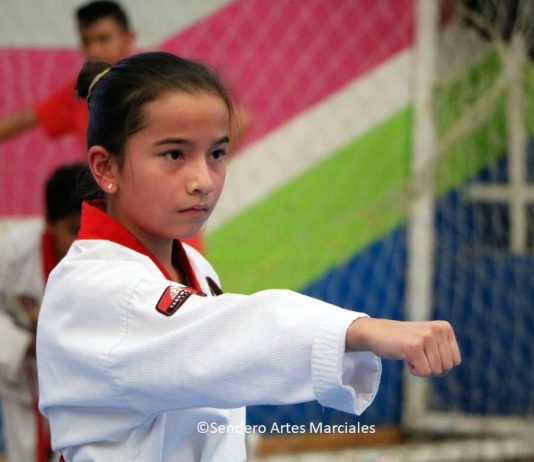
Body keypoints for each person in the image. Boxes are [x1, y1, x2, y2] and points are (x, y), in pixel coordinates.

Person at [36, 52, 461, 461]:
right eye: (174, 154)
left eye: (216, 154)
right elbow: (222, 338)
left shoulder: (191, 266)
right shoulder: (93, 288)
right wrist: (358, 329)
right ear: (106, 168)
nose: (203, 180)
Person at [0, 162, 91, 462]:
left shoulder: (105, 256)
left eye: (87, 228)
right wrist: (25, 344)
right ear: (49, 223)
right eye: (72, 230)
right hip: (24, 379)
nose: (81, 240)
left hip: (81, 382)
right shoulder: (14, 251)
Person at [0, 0, 135, 146]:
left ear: (127, 38)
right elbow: (26, 119)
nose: (93, 51)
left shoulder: (148, 85)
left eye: (103, 39)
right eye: (86, 41)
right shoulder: (80, 91)